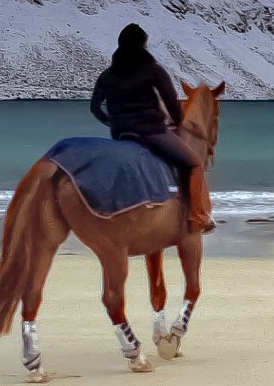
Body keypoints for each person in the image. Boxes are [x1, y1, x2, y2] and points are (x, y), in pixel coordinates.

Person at [89, 25, 213, 233]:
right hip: (151, 132)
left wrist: (112, 123)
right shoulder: (153, 70)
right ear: (142, 45)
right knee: (192, 165)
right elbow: (171, 101)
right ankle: (196, 216)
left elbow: (95, 109)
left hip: (121, 133)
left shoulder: (106, 76)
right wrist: (176, 122)